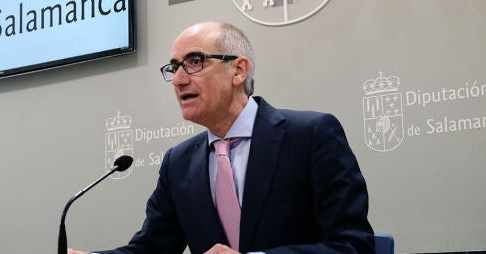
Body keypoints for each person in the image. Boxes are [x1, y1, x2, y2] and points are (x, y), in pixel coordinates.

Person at [69, 22, 374, 254]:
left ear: (239, 70)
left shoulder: (311, 135)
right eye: (174, 68)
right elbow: (152, 249)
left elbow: (354, 245)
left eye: (194, 62)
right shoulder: (179, 163)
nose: (178, 79)